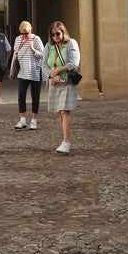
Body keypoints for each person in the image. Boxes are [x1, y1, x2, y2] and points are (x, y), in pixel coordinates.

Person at [45, 21, 80, 154]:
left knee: (65, 111)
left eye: (57, 33)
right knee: (60, 112)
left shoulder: (71, 43)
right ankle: (65, 140)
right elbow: (44, 66)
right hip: (55, 83)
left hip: (67, 82)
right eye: (52, 34)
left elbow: (74, 62)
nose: (55, 36)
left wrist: (58, 70)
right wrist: (52, 75)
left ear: (63, 32)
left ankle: (66, 142)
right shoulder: (49, 47)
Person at [10, 21, 45, 131]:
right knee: (21, 94)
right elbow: (15, 56)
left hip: (35, 72)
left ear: (31, 30)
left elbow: (43, 56)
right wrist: (12, 70)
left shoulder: (36, 39)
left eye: (27, 33)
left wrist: (33, 50)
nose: (25, 35)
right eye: (22, 33)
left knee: (35, 96)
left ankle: (34, 120)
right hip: (22, 72)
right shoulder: (17, 40)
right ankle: (22, 119)